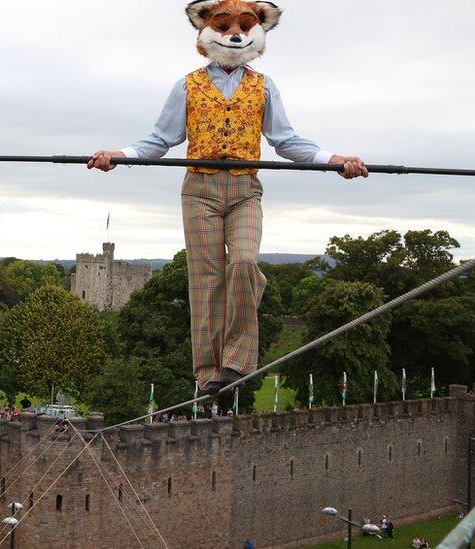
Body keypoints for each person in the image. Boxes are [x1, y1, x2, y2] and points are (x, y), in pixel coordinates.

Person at [89, 0, 367, 395]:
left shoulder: (263, 85)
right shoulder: (188, 84)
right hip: (199, 188)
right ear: (207, 31)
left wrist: (333, 160)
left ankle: (237, 361)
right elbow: (161, 139)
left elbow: (285, 140)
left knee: (243, 263)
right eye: (224, 27)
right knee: (206, 279)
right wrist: (120, 155)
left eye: (243, 27)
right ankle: (207, 373)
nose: (234, 35)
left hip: (244, 189)